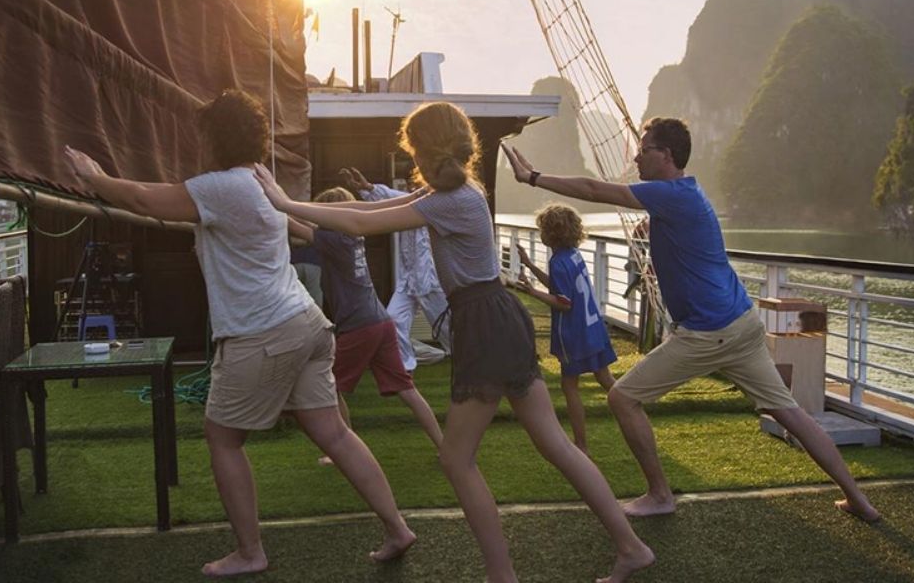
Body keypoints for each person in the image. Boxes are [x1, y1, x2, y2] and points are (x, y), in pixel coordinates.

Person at [254, 102, 654, 583]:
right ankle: (629, 547)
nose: (411, 162)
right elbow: (368, 208)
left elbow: (362, 224)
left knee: (457, 458)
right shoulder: (456, 194)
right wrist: (291, 203)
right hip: (498, 317)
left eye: (414, 152)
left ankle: (503, 574)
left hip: (484, 321)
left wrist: (284, 203)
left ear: (426, 150)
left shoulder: (452, 200)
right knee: (555, 445)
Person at [63, 89, 415, 577]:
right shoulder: (255, 179)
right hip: (306, 322)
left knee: (222, 438)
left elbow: (148, 199)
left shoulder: (221, 186)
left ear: (214, 138)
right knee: (334, 432)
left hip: (263, 330)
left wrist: (94, 178)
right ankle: (397, 527)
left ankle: (250, 552)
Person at [502, 117, 881, 524]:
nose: (636, 155)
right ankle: (859, 499)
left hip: (709, 331)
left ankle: (660, 494)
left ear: (665, 156)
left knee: (623, 398)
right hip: (741, 322)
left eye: (644, 149)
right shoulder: (686, 193)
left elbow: (595, 190)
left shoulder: (670, 195)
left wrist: (533, 177)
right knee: (790, 412)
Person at [287, 187, 443, 465]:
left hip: (360, 325)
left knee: (328, 385)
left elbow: (295, 227)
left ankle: (341, 450)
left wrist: (268, 200)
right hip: (381, 321)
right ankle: (445, 445)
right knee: (407, 390)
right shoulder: (351, 236)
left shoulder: (331, 239)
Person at [512, 203, 617, 454]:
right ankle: (634, 411)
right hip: (593, 328)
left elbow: (563, 303)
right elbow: (560, 288)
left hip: (574, 333)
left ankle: (581, 443)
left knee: (569, 386)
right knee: (605, 378)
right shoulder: (573, 255)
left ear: (549, 233)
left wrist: (531, 291)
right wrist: (530, 264)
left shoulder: (558, 261)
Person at [341, 166, 451, 366]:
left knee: (447, 328)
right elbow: (389, 199)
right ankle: (405, 366)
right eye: (412, 185)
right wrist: (367, 187)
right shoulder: (409, 203)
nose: (413, 187)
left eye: (417, 184)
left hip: (430, 280)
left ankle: (466, 356)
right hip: (408, 279)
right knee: (393, 320)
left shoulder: (435, 206)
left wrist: (369, 188)